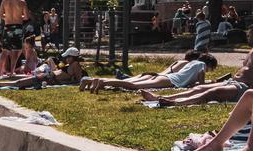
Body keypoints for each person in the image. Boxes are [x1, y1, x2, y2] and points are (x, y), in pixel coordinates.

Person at [142, 35, 253, 107]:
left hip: (245, 87)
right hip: (232, 82)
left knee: (213, 93)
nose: (249, 35)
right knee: (198, 88)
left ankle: (176, 103)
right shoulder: (250, 51)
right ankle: (162, 98)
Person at [81, 54, 217, 94]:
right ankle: (104, 82)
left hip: (164, 76)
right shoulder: (202, 66)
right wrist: (212, 83)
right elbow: (201, 84)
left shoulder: (192, 63)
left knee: (132, 83)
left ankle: (98, 80)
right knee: (132, 85)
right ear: (209, 64)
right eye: (212, 69)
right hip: (169, 80)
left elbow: (190, 80)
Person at [0, 46, 86, 89]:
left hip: (50, 79)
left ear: (73, 57)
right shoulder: (72, 65)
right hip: (49, 76)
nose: (66, 59)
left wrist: (68, 81)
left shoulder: (75, 65)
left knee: (22, 83)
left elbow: (78, 80)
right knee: (25, 80)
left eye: (68, 57)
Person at [0, 0, 31, 76]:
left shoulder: (4, 1)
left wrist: (6, 17)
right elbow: (27, 17)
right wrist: (19, 17)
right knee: (16, 51)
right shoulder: (22, 2)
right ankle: (11, 72)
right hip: (18, 27)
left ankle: (0, 72)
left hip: (8, 27)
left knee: (5, 50)